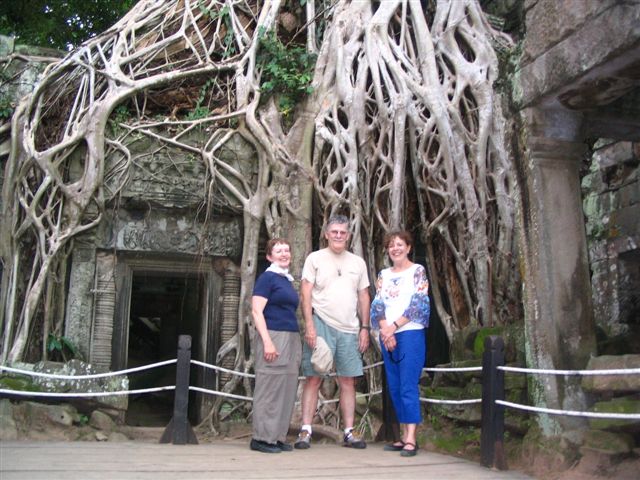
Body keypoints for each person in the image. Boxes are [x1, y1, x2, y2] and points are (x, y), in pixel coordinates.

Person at [294, 214, 371, 449]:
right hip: (322, 325)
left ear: (348, 235)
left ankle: (348, 431)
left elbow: (364, 295)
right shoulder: (315, 258)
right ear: (326, 234)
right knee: (313, 377)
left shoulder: (358, 263)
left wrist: (365, 328)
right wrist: (310, 325)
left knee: (348, 380)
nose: (338, 235)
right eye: (334, 231)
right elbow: (305, 292)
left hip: (349, 328)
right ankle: (305, 430)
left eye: (343, 232)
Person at [370, 230, 430, 457]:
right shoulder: (383, 274)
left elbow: (419, 303)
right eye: (391, 245)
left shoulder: (417, 271)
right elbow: (377, 304)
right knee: (394, 386)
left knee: (407, 384)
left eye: (400, 245)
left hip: (410, 333)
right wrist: (385, 329)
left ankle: (411, 437)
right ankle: (403, 434)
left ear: (408, 247)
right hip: (387, 334)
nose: (395, 249)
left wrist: (393, 327)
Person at [250, 238, 302, 454]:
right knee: (269, 387)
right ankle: (261, 437)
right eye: (278, 251)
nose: (284, 254)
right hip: (273, 335)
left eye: (287, 250)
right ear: (269, 256)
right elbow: (256, 311)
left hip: (291, 337)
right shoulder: (267, 278)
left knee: (287, 387)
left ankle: (277, 436)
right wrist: (267, 342)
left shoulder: (286, 280)